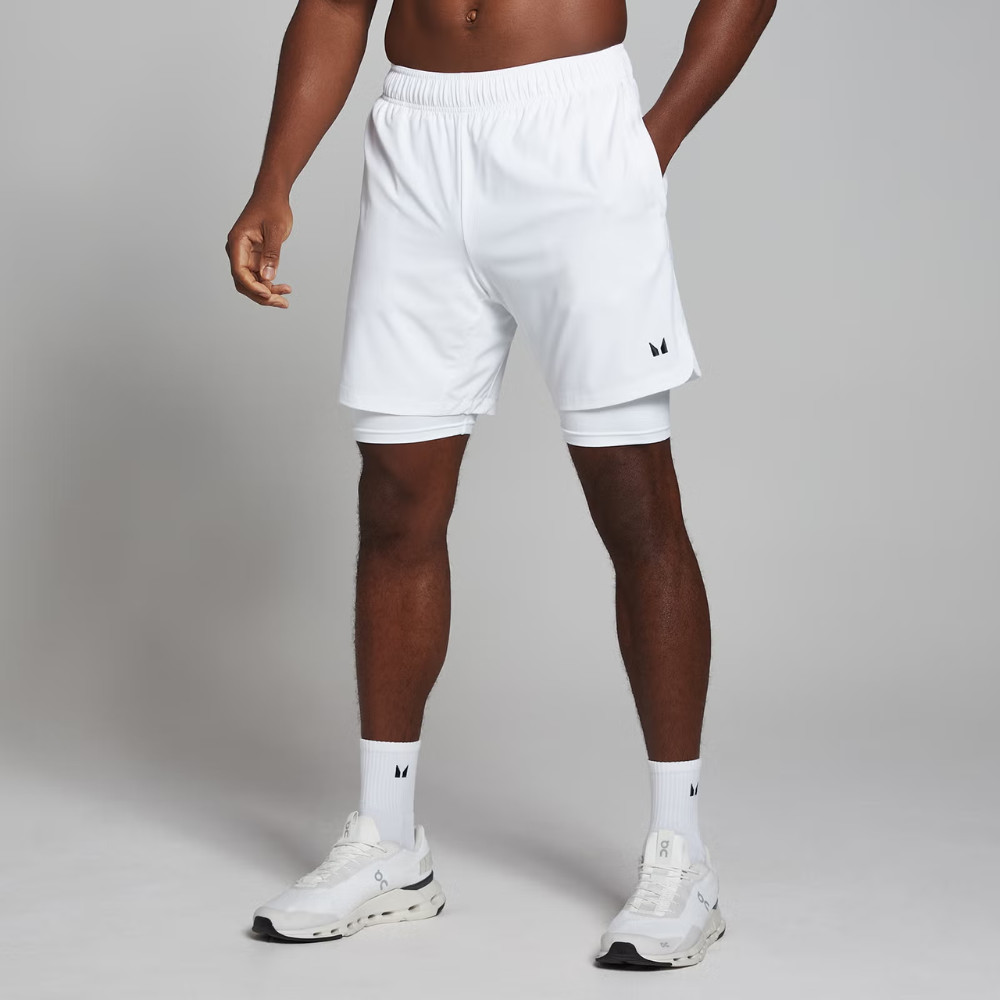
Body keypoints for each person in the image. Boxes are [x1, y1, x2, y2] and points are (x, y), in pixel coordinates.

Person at [226, 0, 775, 969]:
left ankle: (681, 853)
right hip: (417, 140)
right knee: (396, 497)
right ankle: (389, 843)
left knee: (633, 498)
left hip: (573, 131)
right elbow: (337, 6)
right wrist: (275, 178)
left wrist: (656, 136)